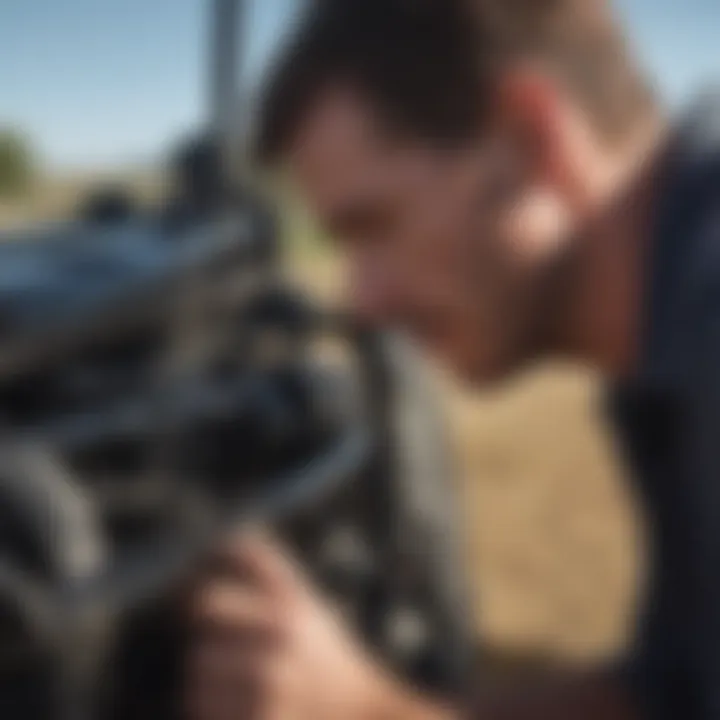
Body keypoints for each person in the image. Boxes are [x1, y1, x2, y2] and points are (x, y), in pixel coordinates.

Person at [185, 0, 720, 718]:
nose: (360, 301)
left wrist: (368, 710)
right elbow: (670, 693)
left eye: (374, 226)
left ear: (533, 138)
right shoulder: (660, 338)